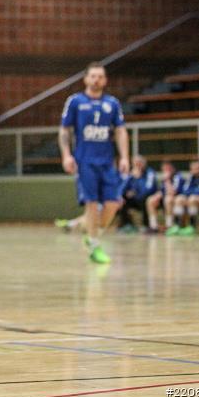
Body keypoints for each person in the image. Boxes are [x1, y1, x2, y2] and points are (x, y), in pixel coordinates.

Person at [59, 63, 130, 264]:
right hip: (85, 161)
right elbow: (65, 130)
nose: (96, 79)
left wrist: (124, 157)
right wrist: (67, 155)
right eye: (93, 76)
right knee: (91, 203)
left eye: (100, 76)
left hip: (107, 162)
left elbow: (120, 130)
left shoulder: (112, 103)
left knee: (113, 203)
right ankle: (93, 242)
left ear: (105, 80)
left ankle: (89, 231)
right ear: (86, 79)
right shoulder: (75, 101)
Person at [168, 159, 199, 236]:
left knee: (192, 199)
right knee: (179, 198)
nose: (194, 170)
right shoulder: (191, 176)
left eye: (196, 168)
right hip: (191, 196)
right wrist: (190, 193)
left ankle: (192, 226)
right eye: (192, 168)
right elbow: (185, 189)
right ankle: (177, 225)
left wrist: (191, 193)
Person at [117, 155, 158, 234]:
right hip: (135, 198)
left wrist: (138, 180)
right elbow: (122, 187)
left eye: (139, 163)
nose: (137, 166)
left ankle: (146, 225)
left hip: (146, 198)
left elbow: (148, 189)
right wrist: (121, 195)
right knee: (122, 199)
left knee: (145, 199)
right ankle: (127, 224)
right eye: (135, 164)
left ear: (144, 164)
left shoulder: (150, 172)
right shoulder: (132, 174)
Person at [146, 160, 181, 234]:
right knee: (150, 200)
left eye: (167, 169)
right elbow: (162, 191)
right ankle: (153, 226)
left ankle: (169, 226)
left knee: (168, 200)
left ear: (172, 168)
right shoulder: (164, 178)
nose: (165, 171)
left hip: (176, 198)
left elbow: (173, 192)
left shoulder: (178, 177)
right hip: (165, 198)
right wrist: (157, 195)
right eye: (164, 169)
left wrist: (167, 180)